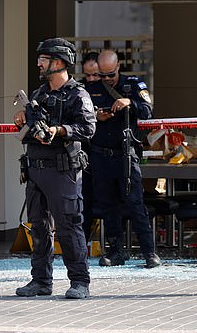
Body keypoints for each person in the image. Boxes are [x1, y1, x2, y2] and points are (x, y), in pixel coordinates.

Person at [13, 38, 96, 299]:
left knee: (68, 226)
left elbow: (88, 128)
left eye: (44, 59)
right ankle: (41, 280)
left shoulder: (77, 95)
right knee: (38, 227)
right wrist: (23, 123)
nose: (39, 63)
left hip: (62, 172)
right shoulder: (38, 95)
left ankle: (80, 281)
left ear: (58, 62)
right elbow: (27, 133)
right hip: (36, 170)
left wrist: (59, 130)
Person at [86, 49, 161, 268]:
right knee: (108, 206)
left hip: (125, 155)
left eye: (110, 74)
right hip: (101, 155)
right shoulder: (90, 89)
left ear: (118, 66)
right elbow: (81, 116)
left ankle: (149, 252)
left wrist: (130, 103)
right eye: (102, 75)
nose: (106, 79)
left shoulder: (134, 85)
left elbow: (148, 111)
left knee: (135, 204)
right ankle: (116, 251)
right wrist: (96, 116)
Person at [79, 52, 100, 241]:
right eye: (88, 75)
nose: (92, 79)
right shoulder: (78, 90)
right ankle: (82, 242)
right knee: (83, 199)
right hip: (85, 153)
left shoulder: (113, 89)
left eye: (96, 75)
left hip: (108, 151)